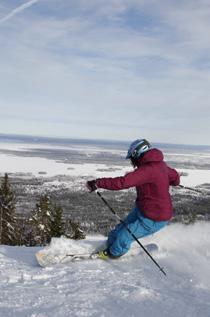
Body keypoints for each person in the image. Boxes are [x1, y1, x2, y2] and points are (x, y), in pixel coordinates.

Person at [86, 139, 180, 260]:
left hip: (155, 217)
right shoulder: (160, 165)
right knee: (119, 230)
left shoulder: (147, 170)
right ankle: (110, 245)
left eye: (132, 158)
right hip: (143, 209)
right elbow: (176, 178)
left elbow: (122, 183)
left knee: (125, 235)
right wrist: (167, 181)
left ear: (138, 154)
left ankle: (112, 254)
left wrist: (97, 183)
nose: (131, 161)